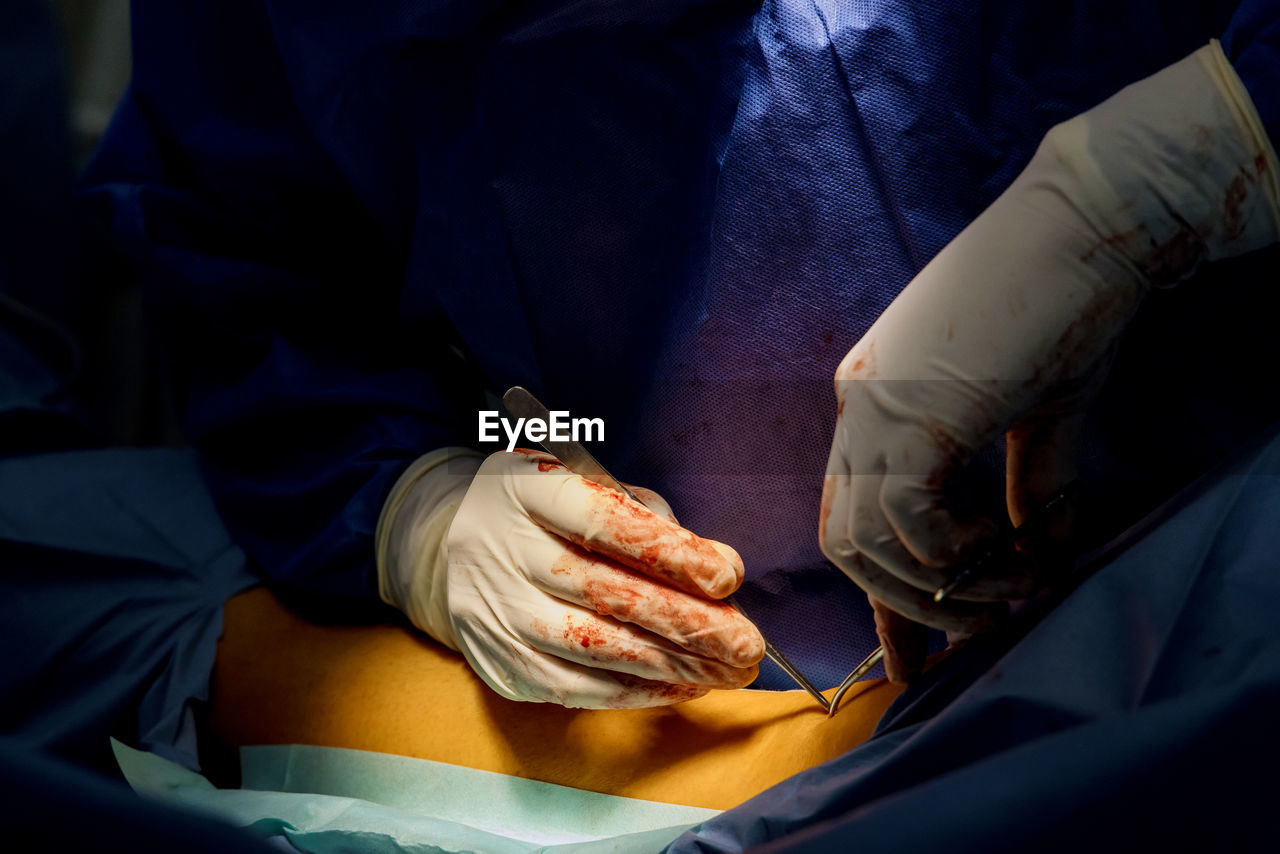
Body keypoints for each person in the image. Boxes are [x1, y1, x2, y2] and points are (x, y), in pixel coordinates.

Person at [79, 0, 1280, 708]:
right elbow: (247, 252)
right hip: (575, 570)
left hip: (1197, 560)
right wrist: (412, 499)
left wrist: (1196, 150)